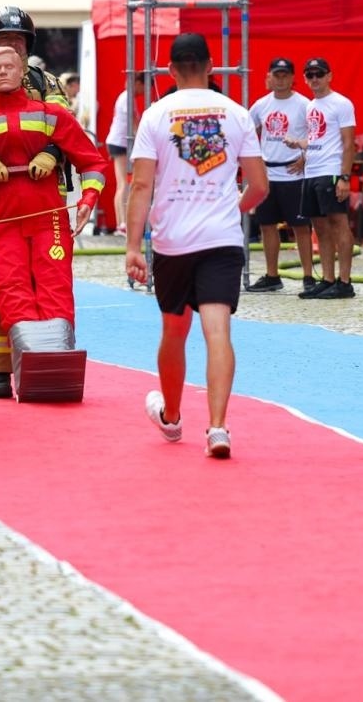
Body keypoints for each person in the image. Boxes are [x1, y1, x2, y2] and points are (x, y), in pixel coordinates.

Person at [128, 33, 266, 459]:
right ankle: (218, 427)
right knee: (217, 331)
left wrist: (132, 247)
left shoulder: (155, 115)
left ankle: (171, 417)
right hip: (221, 239)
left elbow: (141, 185)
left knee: (174, 330)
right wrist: (231, 208)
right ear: (210, 66)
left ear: (170, 70)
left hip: (173, 241)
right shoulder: (237, 114)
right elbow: (260, 186)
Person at [0, 45, 107, 389]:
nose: (2, 72)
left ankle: (57, 372)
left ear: (22, 71)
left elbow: (92, 162)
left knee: (56, 287)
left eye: (9, 66)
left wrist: (88, 199)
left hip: (49, 220)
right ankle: (35, 375)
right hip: (0, 224)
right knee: (10, 289)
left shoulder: (51, 115)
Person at [0, 7, 71, 397]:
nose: (12, 47)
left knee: (48, 283)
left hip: (45, 205)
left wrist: (51, 152)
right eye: (5, 40)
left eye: (18, 41)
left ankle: (50, 361)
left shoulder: (47, 83)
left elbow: (66, 127)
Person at [247, 57, 315, 293]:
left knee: (301, 227)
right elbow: (247, 133)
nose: (281, 79)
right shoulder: (261, 105)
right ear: (269, 76)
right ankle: (272, 275)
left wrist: (306, 158)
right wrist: (254, 162)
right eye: (277, 75)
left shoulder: (305, 105)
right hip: (268, 173)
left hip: (293, 174)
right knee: (267, 226)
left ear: (293, 78)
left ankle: (308, 276)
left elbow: (318, 135)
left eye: (285, 75)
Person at [298, 57, 357, 299]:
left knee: (338, 223)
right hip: (311, 171)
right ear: (305, 79)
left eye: (319, 74)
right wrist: (302, 154)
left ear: (329, 76)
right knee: (319, 227)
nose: (315, 79)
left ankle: (345, 282)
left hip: (332, 170)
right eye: (310, 75)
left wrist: (345, 176)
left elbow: (349, 143)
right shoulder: (310, 106)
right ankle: (328, 278)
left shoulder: (341, 103)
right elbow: (316, 139)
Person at [104, 72, 148, 234]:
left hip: (120, 142)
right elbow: (134, 123)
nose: (145, 90)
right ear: (138, 83)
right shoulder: (127, 97)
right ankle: (122, 223)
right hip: (120, 142)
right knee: (123, 183)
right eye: (145, 86)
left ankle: (121, 223)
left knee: (123, 183)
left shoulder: (127, 97)